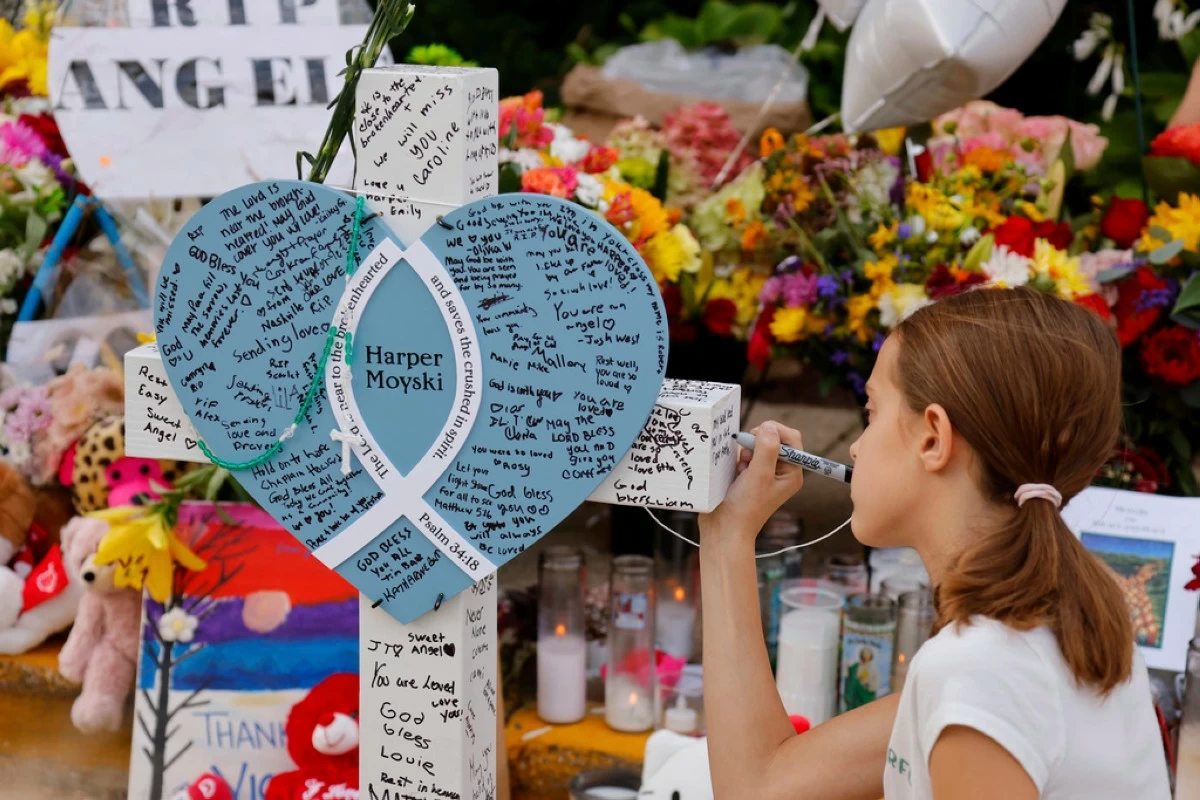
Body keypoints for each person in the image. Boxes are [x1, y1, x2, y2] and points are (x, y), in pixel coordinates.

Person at [699, 287, 1170, 800]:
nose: (856, 445)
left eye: (871, 411)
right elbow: (762, 785)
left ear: (932, 438)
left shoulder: (981, 670)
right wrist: (727, 533)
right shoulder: (1064, 621)